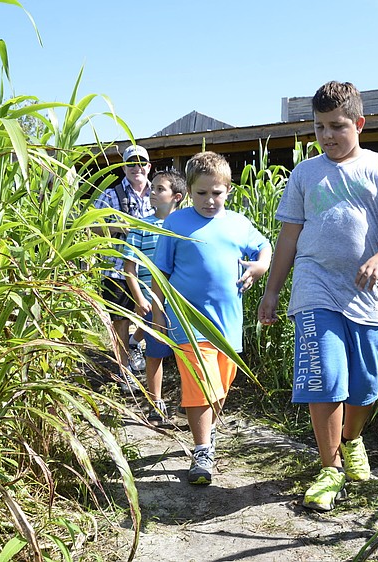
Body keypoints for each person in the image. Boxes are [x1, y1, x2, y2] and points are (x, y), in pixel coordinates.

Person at [257, 81, 378, 512]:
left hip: (368, 295)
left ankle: (353, 437)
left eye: (337, 126)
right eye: (319, 126)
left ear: (358, 124)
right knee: (325, 377)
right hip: (315, 287)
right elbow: (289, 236)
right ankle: (329, 468)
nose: (327, 135)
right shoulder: (305, 173)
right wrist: (273, 290)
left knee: (365, 387)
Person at [152, 151, 271, 485]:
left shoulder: (238, 223)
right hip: (188, 321)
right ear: (188, 192)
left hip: (228, 324)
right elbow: (160, 271)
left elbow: (264, 247)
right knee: (201, 384)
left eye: (216, 192)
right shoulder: (176, 223)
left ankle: (206, 427)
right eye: (201, 193)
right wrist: (158, 313)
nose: (209, 200)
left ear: (228, 190)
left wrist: (260, 266)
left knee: (218, 387)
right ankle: (202, 450)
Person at [122, 169, 186, 425]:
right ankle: (155, 400)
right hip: (153, 301)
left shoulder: (184, 225)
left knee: (185, 353)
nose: (153, 193)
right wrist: (139, 298)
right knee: (156, 352)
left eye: (160, 189)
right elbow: (129, 266)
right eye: (153, 188)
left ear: (177, 197)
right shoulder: (142, 225)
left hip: (181, 302)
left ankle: (187, 401)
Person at [93, 145, 154, 393]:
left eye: (142, 163)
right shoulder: (110, 194)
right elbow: (92, 227)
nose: (136, 168)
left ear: (149, 166)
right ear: (124, 167)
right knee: (119, 320)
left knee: (151, 314)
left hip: (150, 268)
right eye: (131, 163)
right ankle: (124, 371)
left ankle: (135, 342)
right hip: (116, 269)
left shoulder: (159, 192)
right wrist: (118, 225)